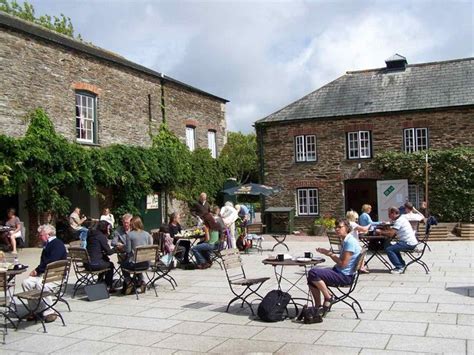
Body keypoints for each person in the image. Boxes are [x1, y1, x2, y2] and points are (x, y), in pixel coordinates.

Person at [307, 218, 361, 316]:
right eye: (336, 227)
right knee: (311, 277)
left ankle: (328, 297)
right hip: (342, 272)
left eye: (339, 227)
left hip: (344, 276)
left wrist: (330, 254)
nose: (336, 229)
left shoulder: (350, 242)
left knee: (313, 273)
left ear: (347, 228)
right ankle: (317, 305)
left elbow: (343, 264)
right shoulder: (347, 240)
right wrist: (328, 253)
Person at [22, 224, 67, 323]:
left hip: (55, 276)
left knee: (40, 284)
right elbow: (45, 262)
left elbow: (52, 262)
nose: (39, 237)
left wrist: (37, 270)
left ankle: (49, 312)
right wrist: (38, 271)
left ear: (48, 234)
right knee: (26, 282)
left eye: (41, 235)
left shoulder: (57, 244)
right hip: (46, 275)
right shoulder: (47, 245)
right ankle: (36, 310)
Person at [375, 206, 418, 274]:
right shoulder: (400, 219)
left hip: (408, 243)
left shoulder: (399, 220)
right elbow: (393, 232)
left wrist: (380, 232)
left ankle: (399, 267)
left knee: (389, 249)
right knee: (394, 248)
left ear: (394, 213)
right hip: (409, 242)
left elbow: (391, 234)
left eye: (389, 214)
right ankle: (402, 264)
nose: (388, 216)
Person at [121, 216, 153, 293]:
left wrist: (122, 247)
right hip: (146, 263)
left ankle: (129, 282)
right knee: (138, 261)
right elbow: (150, 247)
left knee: (123, 264)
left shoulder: (130, 235)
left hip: (135, 264)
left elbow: (128, 250)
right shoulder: (147, 234)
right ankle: (142, 281)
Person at [86, 220, 116, 293]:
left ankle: (100, 281)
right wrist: (116, 249)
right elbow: (109, 252)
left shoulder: (90, 235)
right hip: (95, 265)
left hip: (87, 264)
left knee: (104, 261)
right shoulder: (101, 237)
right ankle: (108, 286)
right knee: (110, 265)